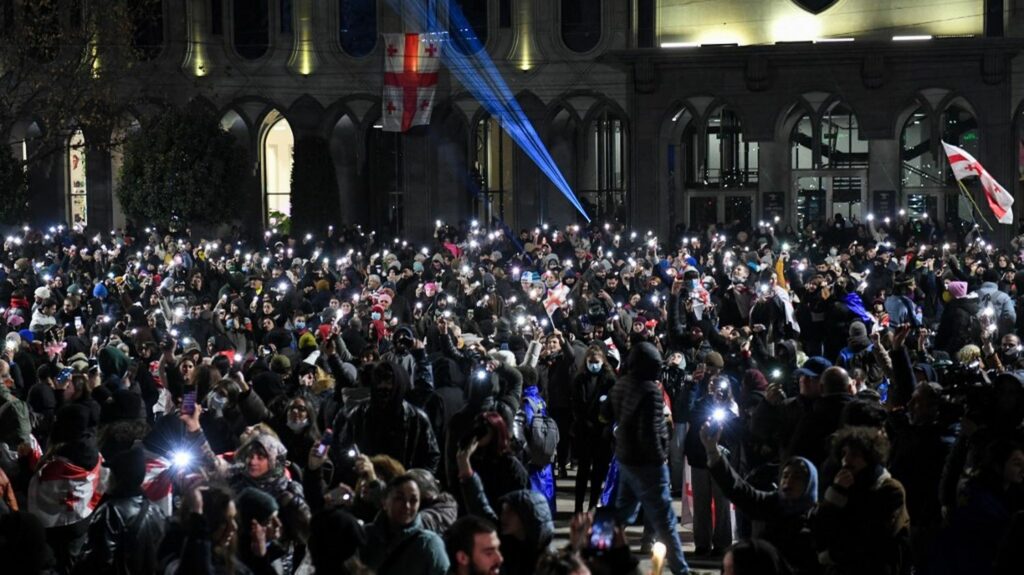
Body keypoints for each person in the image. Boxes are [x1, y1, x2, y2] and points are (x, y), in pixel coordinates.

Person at [609, 342, 690, 574]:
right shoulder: (651, 391)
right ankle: (681, 570)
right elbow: (652, 432)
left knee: (621, 513)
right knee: (665, 522)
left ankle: (593, 553)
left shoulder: (621, 385)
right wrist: (661, 459)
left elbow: (607, 415)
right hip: (648, 464)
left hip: (626, 458)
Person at [701, 422, 819, 575]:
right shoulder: (773, 504)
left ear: (809, 484)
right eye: (785, 475)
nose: (788, 482)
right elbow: (739, 490)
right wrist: (712, 451)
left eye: (797, 477)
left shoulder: (817, 519)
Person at [812, 426, 910, 575]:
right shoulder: (844, 485)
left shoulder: (889, 489)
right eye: (844, 454)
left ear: (870, 457)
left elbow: (872, 539)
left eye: (854, 454)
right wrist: (835, 494)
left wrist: (834, 554)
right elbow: (821, 529)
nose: (846, 460)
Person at [361, 474, 450, 575]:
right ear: (384, 502)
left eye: (413, 500)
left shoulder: (429, 543)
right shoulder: (365, 536)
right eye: (399, 498)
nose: (407, 506)